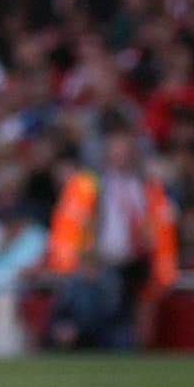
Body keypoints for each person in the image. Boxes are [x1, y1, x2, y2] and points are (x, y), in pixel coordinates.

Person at [43, 129, 175, 352]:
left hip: (134, 264)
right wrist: (77, 261)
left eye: (126, 152)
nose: (121, 157)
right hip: (99, 264)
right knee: (97, 320)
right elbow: (73, 225)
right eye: (116, 152)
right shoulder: (90, 185)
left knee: (130, 330)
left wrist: (161, 271)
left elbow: (159, 228)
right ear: (106, 155)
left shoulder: (146, 188)